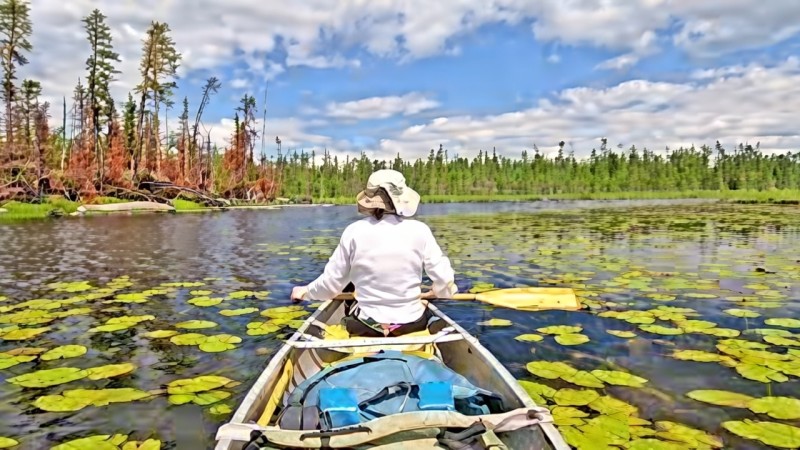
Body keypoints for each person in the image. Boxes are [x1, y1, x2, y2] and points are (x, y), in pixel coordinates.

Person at [290, 169, 457, 337]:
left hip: (367, 326)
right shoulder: (421, 230)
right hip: (412, 325)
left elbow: (330, 286)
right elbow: (444, 279)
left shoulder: (353, 232)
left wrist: (305, 291)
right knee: (421, 310)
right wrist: (440, 292)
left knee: (351, 296)